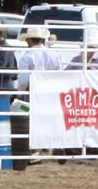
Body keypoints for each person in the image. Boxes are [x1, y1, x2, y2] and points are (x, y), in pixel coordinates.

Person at [13, 28, 64, 169]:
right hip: (51, 92)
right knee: (51, 119)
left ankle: (34, 153)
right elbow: (60, 74)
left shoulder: (27, 56)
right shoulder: (54, 54)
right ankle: (57, 147)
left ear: (29, 40)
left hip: (34, 93)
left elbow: (23, 81)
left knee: (30, 121)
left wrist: (18, 95)